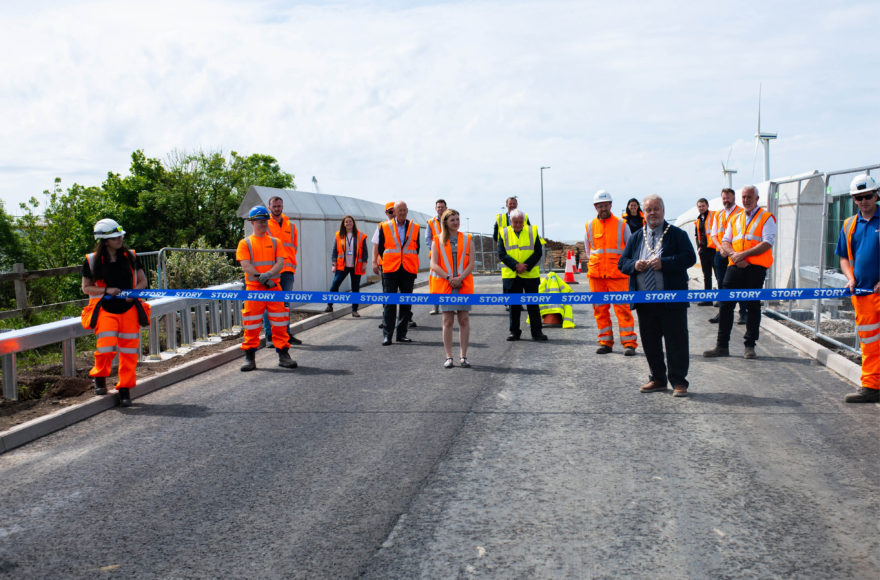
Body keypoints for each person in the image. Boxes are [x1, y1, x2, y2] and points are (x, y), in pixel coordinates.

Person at [619, 195, 696, 396]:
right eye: (649, 209)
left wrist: (665, 263)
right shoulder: (636, 237)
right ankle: (658, 379)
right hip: (645, 302)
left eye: (656, 209)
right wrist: (635, 265)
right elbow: (622, 263)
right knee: (650, 343)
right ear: (643, 213)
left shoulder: (677, 234)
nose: (652, 213)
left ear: (663, 210)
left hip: (672, 301)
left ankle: (679, 382)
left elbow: (689, 257)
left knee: (676, 342)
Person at [703, 185, 776, 360]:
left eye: (749, 197)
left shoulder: (766, 218)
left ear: (757, 199)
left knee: (752, 306)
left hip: (755, 269)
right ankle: (722, 346)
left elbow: (767, 242)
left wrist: (744, 255)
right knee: (725, 305)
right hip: (734, 266)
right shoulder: (735, 218)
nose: (746, 200)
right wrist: (735, 256)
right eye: (743, 197)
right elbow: (726, 240)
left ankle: (750, 345)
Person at [81, 218, 148, 407]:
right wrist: (106, 290)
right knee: (106, 346)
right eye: (114, 237)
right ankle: (100, 376)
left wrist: (133, 293)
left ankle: (125, 388)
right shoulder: (92, 260)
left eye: (120, 236)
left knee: (129, 351)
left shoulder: (131, 256)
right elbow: (86, 288)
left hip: (129, 309)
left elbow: (143, 281)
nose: (119, 239)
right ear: (104, 240)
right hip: (105, 309)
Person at [236, 206, 297, 371]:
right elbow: (246, 266)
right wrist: (262, 279)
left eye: (265, 221)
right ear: (252, 222)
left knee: (280, 323)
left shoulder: (276, 242)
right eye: (259, 221)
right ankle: (250, 358)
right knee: (251, 324)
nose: (263, 224)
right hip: (254, 290)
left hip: (274, 289)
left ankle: (284, 355)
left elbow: (280, 263)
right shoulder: (245, 243)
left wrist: (269, 275)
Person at [837, 174, 880, 403]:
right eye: (858, 197)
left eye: (868, 196)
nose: (863, 201)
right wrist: (850, 278)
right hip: (863, 294)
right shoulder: (848, 225)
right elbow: (844, 258)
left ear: (876, 194)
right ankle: (871, 387)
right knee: (870, 344)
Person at [585, 190, 637, 355]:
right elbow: (589, 251)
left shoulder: (622, 224)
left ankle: (629, 343)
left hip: (618, 275)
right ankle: (605, 342)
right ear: (595, 207)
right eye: (600, 206)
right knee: (600, 310)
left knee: (623, 309)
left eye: (606, 205)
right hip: (597, 276)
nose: (603, 208)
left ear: (611, 205)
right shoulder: (590, 226)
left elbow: (630, 249)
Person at [430, 209, 474, 367]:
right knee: (447, 321)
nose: (456, 222)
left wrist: (460, 278)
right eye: (452, 220)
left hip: (463, 284)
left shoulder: (468, 239)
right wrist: (449, 278)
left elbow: (471, 263)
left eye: (457, 219)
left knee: (464, 320)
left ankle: (463, 356)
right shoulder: (437, 240)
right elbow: (434, 264)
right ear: (445, 222)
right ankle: (449, 357)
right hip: (446, 285)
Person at [375, 200, 420, 345]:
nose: (402, 212)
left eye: (404, 210)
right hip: (390, 269)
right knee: (389, 303)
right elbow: (381, 247)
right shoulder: (385, 226)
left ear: (407, 211)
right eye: (399, 210)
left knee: (406, 303)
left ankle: (401, 334)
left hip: (408, 269)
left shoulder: (415, 227)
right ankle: (387, 335)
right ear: (394, 211)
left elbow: (416, 247)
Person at [499, 209, 548, 341]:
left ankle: (537, 332)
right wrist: (516, 265)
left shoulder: (532, 231)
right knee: (514, 306)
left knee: (533, 305)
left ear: (524, 221)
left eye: (521, 222)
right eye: (516, 222)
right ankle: (514, 332)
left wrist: (525, 265)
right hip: (512, 275)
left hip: (530, 274)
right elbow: (501, 254)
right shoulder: (503, 233)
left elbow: (538, 252)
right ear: (511, 221)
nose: (519, 224)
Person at [264, 195, 302, 344]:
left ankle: (286, 335)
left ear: (282, 206)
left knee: (285, 305)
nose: (277, 209)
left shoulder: (291, 226)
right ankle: (270, 337)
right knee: (270, 304)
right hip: (271, 271)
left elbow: (294, 247)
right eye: (274, 206)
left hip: (287, 271)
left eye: (279, 206)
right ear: (269, 208)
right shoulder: (265, 225)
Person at [708, 188, 746, 324]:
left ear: (734, 198)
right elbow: (713, 235)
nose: (726, 200)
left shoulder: (741, 213)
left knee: (741, 284)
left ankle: (743, 313)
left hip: (736, 254)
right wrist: (720, 248)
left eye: (728, 198)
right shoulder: (718, 215)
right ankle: (722, 313)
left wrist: (730, 251)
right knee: (721, 283)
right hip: (721, 254)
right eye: (724, 198)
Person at [325, 215, 368, 317]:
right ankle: (330, 305)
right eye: (346, 222)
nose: (348, 223)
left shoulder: (361, 236)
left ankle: (354, 310)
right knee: (335, 285)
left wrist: (364, 264)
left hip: (356, 266)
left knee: (355, 288)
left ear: (353, 223)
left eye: (350, 221)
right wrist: (333, 264)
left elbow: (365, 252)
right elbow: (335, 250)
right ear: (343, 224)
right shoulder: (339, 235)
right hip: (342, 266)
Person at [372, 202, 396, 330]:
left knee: (404, 294)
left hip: (402, 266)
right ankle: (386, 319)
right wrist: (374, 262)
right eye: (390, 212)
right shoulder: (382, 226)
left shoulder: (406, 225)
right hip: (386, 266)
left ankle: (407, 318)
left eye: (394, 211)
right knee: (387, 293)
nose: (393, 214)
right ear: (386, 213)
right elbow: (376, 245)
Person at [426, 198, 448, 315]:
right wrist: (435, 251)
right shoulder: (430, 222)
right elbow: (427, 239)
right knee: (434, 281)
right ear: (435, 209)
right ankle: (435, 307)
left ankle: (450, 306)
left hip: (449, 256)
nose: (440, 209)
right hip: (435, 257)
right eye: (438, 207)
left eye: (442, 207)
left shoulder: (450, 219)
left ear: (446, 208)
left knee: (448, 280)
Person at [694, 197, 716, 305]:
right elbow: (697, 234)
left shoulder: (714, 216)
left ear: (707, 206)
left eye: (703, 206)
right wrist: (698, 247)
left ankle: (722, 300)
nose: (701, 208)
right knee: (706, 275)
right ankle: (708, 299)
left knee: (719, 275)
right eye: (699, 206)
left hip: (714, 250)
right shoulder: (698, 220)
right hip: (704, 251)